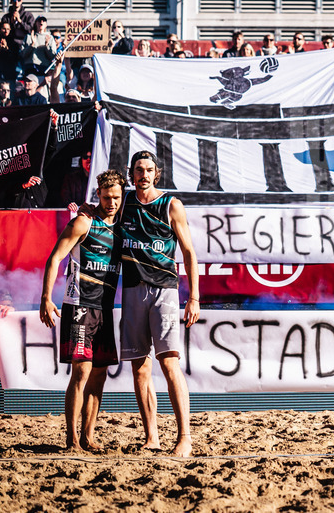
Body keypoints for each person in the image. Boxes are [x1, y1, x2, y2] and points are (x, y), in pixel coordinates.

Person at [118, 151, 199, 457]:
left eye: (149, 170)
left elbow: (189, 252)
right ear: (131, 173)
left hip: (164, 289)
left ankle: (184, 437)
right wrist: (85, 209)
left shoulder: (170, 204)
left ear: (157, 173)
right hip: (132, 289)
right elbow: (96, 212)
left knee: (169, 363)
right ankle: (151, 436)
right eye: (139, 170)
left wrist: (194, 297)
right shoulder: (123, 202)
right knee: (140, 368)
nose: (144, 174)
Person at [40, 169, 125, 452]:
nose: (111, 202)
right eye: (106, 197)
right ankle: (71, 438)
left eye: (116, 197)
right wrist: (46, 297)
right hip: (79, 306)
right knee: (82, 372)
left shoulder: (123, 226)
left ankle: (88, 436)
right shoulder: (84, 223)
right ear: (98, 195)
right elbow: (54, 257)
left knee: (99, 374)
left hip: (105, 308)